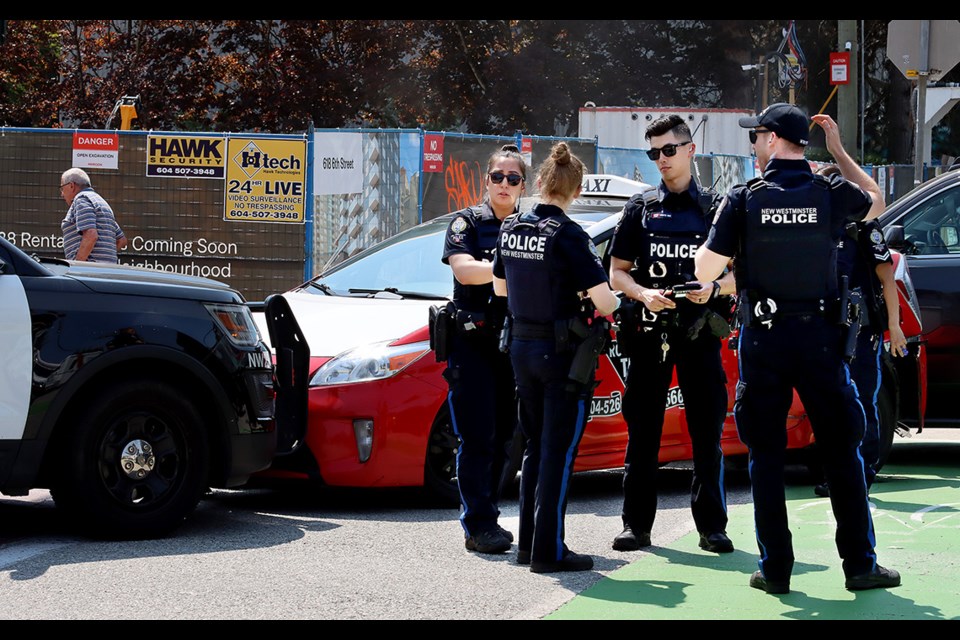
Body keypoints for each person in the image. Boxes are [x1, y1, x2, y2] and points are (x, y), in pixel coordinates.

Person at [694, 102, 900, 594]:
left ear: (770, 139)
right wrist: (839, 152)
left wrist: (726, 260)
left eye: (754, 137)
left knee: (765, 454)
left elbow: (704, 271)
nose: (752, 146)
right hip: (822, 339)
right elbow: (876, 200)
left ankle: (776, 570)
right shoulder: (830, 192)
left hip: (764, 340)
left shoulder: (743, 198)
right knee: (842, 450)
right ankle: (860, 565)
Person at [607, 114, 738, 554]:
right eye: (653, 153)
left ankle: (712, 527)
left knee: (706, 433)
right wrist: (642, 293)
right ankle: (636, 525)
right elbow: (616, 273)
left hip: (700, 333)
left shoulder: (718, 208)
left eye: (668, 150)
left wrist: (713, 288)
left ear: (689, 150)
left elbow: (746, 275)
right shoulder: (640, 208)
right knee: (642, 431)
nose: (660, 160)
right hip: (649, 333)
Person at [492, 142, 620, 573]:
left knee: (532, 448)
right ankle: (551, 550)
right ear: (576, 190)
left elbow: (499, 289)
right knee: (558, 452)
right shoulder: (568, 235)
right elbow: (605, 303)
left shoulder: (511, 227)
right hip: (561, 354)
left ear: (542, 181)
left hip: (520, 349)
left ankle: (529, 544)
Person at [809, 116, 909, 498]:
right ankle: (835, 472)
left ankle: (862, 471)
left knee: (863, 398)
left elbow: (887, 280)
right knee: (829, 402)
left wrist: (895, 328)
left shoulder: (863, 227)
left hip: (862, 330)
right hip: (824, 328)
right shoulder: (819, 227)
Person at [440, 144, 526, 554]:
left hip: (516, 343)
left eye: (513, 178)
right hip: (473, 343)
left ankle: (488, 515)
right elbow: (464, 269)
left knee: (506, 435)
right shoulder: (467, 223)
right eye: (498, 177)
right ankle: (477, 525)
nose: (504, 184)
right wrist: (510, 268)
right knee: (477, 436)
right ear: (486, 181)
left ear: (523, 185)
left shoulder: (529, 226)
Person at [60, 168, 127, 263]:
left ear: (71, 185)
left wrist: (78, 265)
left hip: (87, 273)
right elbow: (121, 240)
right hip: (103, 272)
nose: (62, 194)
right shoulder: (100, 202)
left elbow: (91, 235)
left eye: (62, 188)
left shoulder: (81, 200)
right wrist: (104, 261)